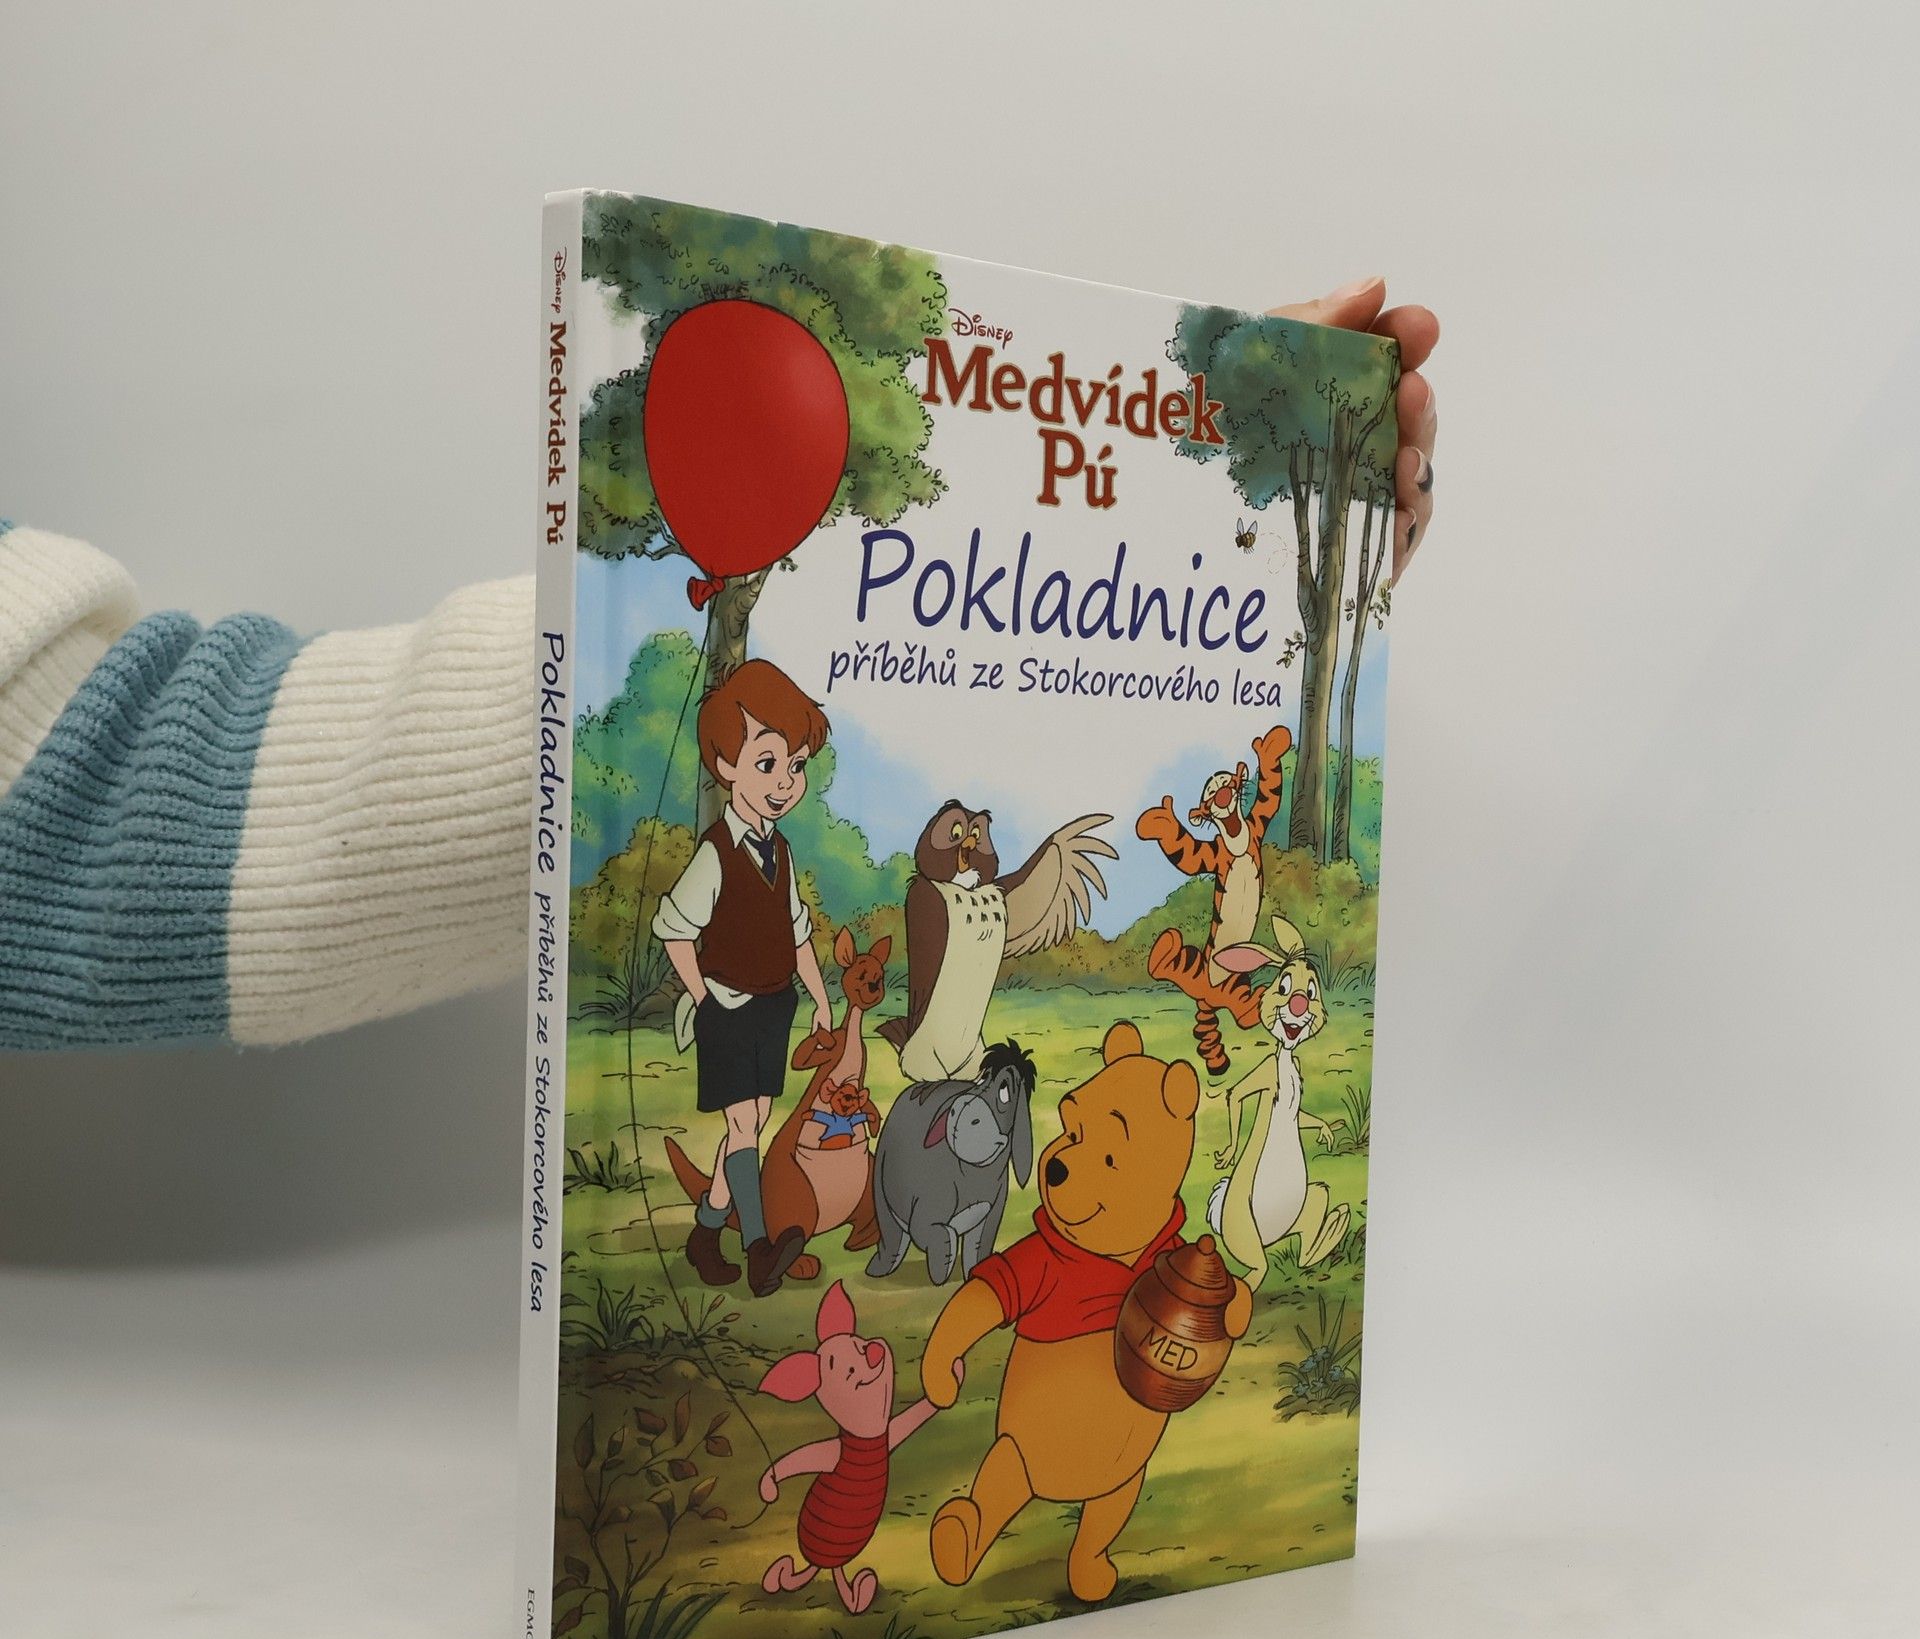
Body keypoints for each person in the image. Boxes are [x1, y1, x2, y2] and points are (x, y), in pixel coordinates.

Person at [0, 280, 1437, 1053]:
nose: (792, 779)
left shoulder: (824, 850)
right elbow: (78, 802)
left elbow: (76, 762)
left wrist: (1148, 481)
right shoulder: (793, 857)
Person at [652, 659, 833, 1295]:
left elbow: (797, 930)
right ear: (727, 765)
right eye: (768, 763)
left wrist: (819, 999)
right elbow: (674, 929)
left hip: (774, 1006)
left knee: (749, 1122)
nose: (785, 782)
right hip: (728, 1007)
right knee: (744, 1128)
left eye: (796, 766)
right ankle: (759, 1249)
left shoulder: (780, 850)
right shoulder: (715, 853)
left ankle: (706, 1231)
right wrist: (705, 998)